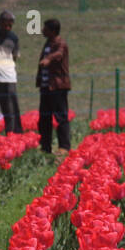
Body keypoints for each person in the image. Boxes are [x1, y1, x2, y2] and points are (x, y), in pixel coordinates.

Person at [36, 18, 71, 158]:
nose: (43, 31)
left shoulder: (60, 43)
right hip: (46, 86)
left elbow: (59, 54)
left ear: (53, 30)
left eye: (45, 28)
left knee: (61, 116)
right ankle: (45, 146)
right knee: (44, 117)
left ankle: (64, 146)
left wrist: (48, 59)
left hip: (57, 86)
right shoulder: (48, 43)